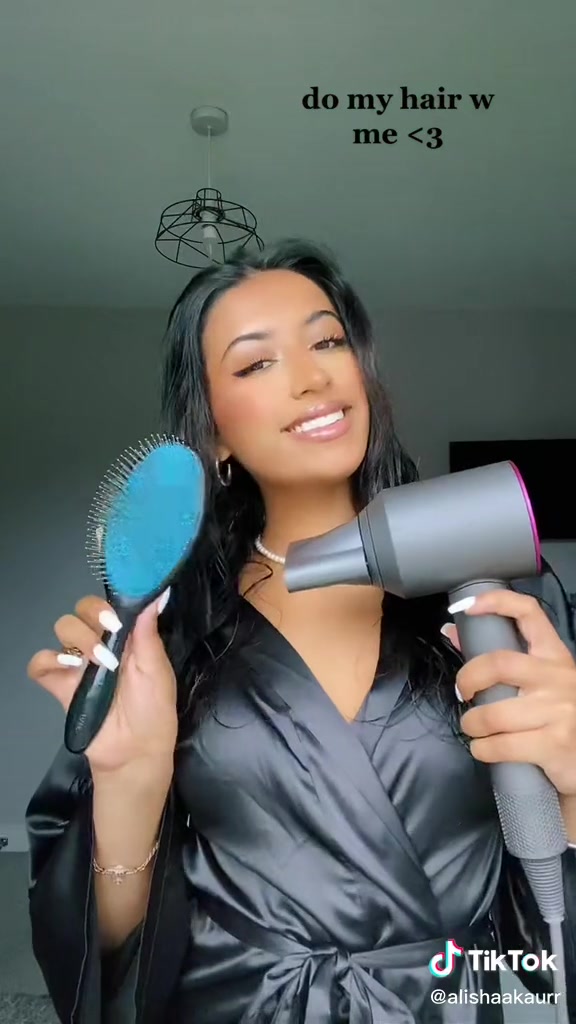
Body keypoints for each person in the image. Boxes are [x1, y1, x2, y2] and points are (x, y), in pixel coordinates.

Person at [25, 240, 576, 1024]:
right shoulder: (167, 635)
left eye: (328, 342)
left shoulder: (498, 600)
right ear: (214, 433)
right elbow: (106, 958)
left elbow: (543, 932)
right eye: (256, 363)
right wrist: (132, 784)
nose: (312, 378)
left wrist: (573, 783)